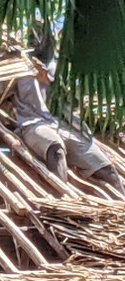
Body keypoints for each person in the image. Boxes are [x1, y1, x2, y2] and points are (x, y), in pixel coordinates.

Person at [14, 27, 123, 192]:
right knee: (55, 148)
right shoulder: (19, 66)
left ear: (50, 41)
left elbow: (74, 100)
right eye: (31, 38)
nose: (34, 41)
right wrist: (11, 59)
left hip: (63, 125)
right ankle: (62, 197)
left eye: (39, 36)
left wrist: (51, 81)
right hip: (33, 123)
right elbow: (0, 91)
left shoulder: (61, 68)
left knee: (106, 168)